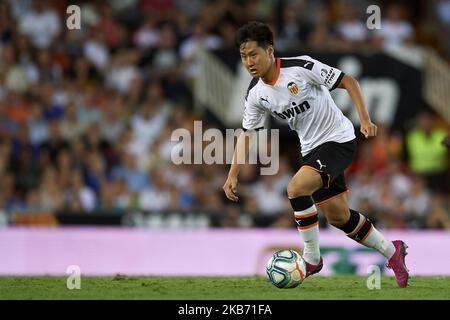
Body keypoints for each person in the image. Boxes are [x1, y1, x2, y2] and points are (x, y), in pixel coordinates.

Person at [222, 21, 409, 287]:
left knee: (296, 188)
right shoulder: (256, 94)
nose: (248, 61)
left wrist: (365, 120)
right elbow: (246, 134)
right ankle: (393, 252)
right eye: (243, 56)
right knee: (338, 217)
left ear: (269, 51)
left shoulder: (299, 67)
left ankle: (312, 257)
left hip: (338, 139)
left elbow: (349, 81)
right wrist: (232, 175)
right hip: (310, 149)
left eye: (253, 54)